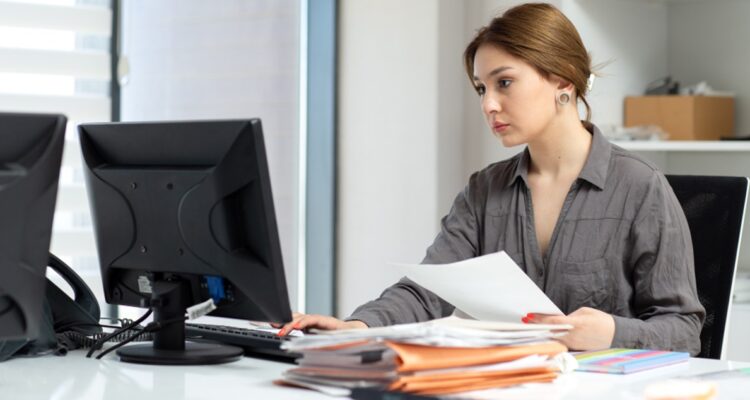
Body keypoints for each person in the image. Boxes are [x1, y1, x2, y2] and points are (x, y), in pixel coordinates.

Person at [276, 2, 705, 355]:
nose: (489, 105)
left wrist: (612, 333)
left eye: (504, 83)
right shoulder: (485, 190)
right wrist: (355, 325)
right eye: (482, 88)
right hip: (510, 385)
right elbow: (427, 291)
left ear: (563, 80)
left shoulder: (640, 187)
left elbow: (684, 329)